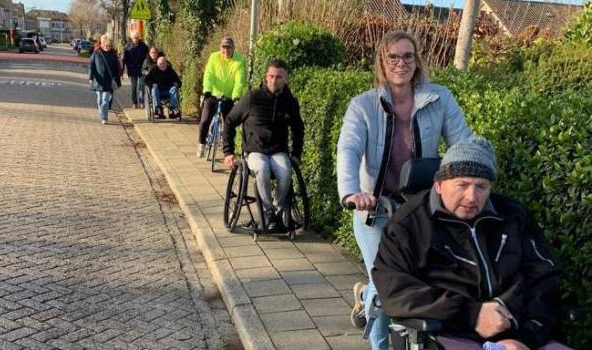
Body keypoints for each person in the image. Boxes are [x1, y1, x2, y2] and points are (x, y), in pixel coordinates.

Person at [336, 31, 472, 350]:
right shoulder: (363, 105)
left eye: (407, 56)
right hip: (375, 210)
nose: (401, 63)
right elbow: (349, 150)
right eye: (393, 57)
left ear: (417, 61)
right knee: (387, 286)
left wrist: (472, 175)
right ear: (382, 63)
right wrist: (353, 193)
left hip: (420, 209)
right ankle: (380, 345)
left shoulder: (439, 99)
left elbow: (461, 144)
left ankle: (364, 294)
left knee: (426, 277)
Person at [372, 136, 569, 350]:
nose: (472, 196)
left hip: (521, 330)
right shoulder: (408, 224)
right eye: (462, 184)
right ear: (438, 185)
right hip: (451, 330)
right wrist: (471, 314)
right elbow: (394, 290)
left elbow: (544, 275)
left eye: (481, 186)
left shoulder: (513, 215)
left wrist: (523, 336)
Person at [223, 59, 304, 232]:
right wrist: (228, 152)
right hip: (255, 150)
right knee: (262, 169)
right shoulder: (253, 97)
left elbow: (298, 128)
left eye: (279, 77)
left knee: (285, 173)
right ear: (266, 77)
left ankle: (276, 210)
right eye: (271, 76)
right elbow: (230, 121)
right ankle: (268, 213)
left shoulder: (290, 102)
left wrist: (296, 154)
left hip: (278, 151)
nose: (274, 81)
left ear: (286, 79)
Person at [197, 36, 246, 158]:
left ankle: (228, 153)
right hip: (213, 94)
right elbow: (209, 74)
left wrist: (236, 96)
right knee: (204, 120)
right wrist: (207, 90)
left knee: (229, 125)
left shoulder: (239, 60)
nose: (226, 50)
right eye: (223, 47)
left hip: (229, 96)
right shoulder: (214, 57)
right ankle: (201, 144)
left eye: (229, 47)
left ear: (233, 48)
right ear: (220, 48)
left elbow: (239, 81)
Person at [88, 34, 121, 125]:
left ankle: (104, 117)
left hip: (108, 81)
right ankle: (102, 114)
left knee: (105, 100)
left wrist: (117, 81)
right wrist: (90, 77)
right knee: (99, 100)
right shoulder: (96, 53)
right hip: (98, 80)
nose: (108, 47)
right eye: (106, 45)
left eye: (109, 46)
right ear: (102, 44)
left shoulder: (113, 54)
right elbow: (91, 66)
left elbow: (116, 68)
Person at [123, 32, 149, 108]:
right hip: (132, 69)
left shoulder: (143, 46)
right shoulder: (128, 46)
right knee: (134, 87)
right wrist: (125, 70)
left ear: (139, 38)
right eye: (134, 38)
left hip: (142, 69)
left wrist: (146, 67)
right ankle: (134, 103)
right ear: (132, 38)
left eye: (137, 38)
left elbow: (147, 57)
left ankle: (141, 102)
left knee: (141, 86)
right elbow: (125, 59)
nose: (136, 39)